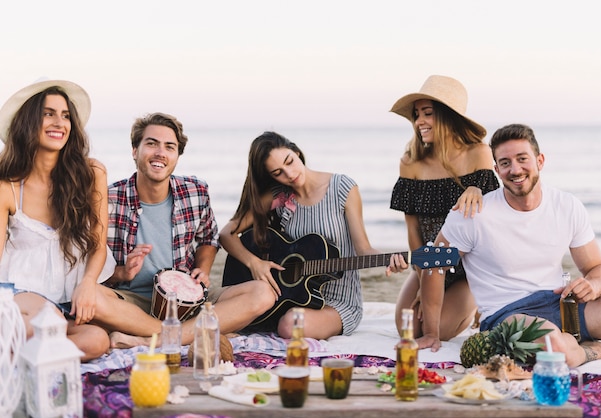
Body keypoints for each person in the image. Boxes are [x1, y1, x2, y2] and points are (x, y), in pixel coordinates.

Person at [418, 123, 601, 367]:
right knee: (554, 347)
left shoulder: (567, 206)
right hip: (508, 316)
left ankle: (573, 344)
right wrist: (431, 332)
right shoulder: (472, 214)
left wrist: (593, 285)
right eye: (505, 163)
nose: (515, 169)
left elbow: (598, 268)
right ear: (496, 169)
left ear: (540, 160)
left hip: (562, 305)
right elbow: (434, 266)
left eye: (522, 159)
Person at [93, 112, 272, 350]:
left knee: (263, 293)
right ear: (135, 151)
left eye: (169, 146)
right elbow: (92, 264)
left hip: (189, 301)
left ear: (177, 156)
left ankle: (150, 339)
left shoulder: (195, 191)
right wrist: (122, 273)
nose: (160, 153)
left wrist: (202, 270)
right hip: (131, 303)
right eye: (151, 144)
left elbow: (208, 238)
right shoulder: (109, 199)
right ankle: (188, 332)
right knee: (91, 297)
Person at [219, 131, 408, 340]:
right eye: (278, 172)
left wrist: (389, 260)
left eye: (289, 162)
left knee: (291, 326)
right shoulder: (279, 196)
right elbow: (227, 234)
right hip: (292, 298)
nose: (289, 174)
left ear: (297, 152)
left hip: (338, 303)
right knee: (287, 320)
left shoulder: (342, 188)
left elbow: (363, 249)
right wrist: (254, 263)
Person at [0, 79, 116, 361]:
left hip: (68, 302)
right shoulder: (7, 186)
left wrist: (89, 283)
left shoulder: (90, 175)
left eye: (65, 116)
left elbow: (99, 245)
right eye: (48, 113)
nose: (59, 123)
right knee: (45, 323)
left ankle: (23, 352)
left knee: (97, 340)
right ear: (28, 122)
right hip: (22, 293)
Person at [389, 75, 500, 340]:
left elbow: (496, 216)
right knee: (409, 332)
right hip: (430, 264)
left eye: (428, 113)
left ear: (449, 116)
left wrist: (476, 189)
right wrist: (423, 281)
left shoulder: (479, 153)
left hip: (469, 267)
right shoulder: (410, 162)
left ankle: (474, 301)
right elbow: (413, 230)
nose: (419, 122)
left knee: (440, 331)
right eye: (417, 115)